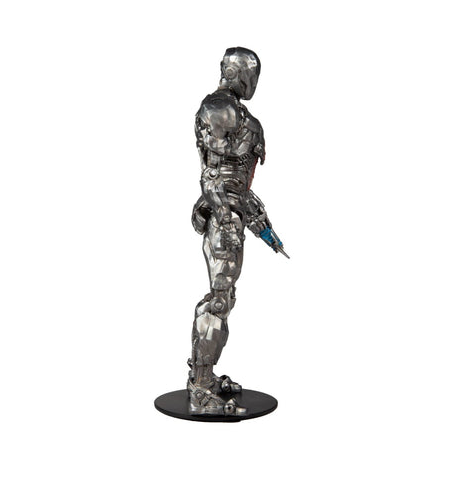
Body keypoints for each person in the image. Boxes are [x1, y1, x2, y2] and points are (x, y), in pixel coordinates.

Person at [188, 47, 287, 416]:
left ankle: (205, 377)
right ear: (241, 73)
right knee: (218, 300)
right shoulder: (220, 108)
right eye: (252, 74)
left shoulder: (238, 114)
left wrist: (260, 222)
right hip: (224, 218)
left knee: (224, 298)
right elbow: (213, 174)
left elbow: (238, 184)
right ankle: (200, 389)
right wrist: (225, 215)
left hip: (232, 213)